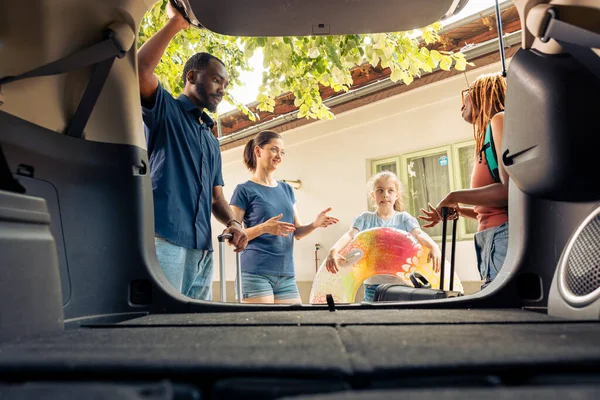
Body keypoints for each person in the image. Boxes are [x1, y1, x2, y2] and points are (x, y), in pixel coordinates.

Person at [138, 1, 247, 300]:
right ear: (191, 77)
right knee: (162, 329)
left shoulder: (210, 138)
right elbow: (140, 69)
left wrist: (235, 223)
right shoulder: (166, 110)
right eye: (216, 80)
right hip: (165, 241)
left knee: (197, 332)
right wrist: (176, 23)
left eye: (225, 84)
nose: (222, 89)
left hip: (203, 252)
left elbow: (217, 199)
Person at [419, 73, 508, 289]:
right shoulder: (485, 136)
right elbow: (489, 208)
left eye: (466, 94)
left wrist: (453, 196)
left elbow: (509, 192)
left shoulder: (500, 119)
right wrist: (461, 210)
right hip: (488, 240)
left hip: (502, 236)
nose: (462, 105)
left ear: (483, 94)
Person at [230, 130, 339, 304]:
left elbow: (297, 232)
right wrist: (263, 227)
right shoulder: (244, 190)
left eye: (282, 152)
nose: (279, 156)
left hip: (286, 275)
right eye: (274, 150)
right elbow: (232, 237)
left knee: (294, 327)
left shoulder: (286, 189)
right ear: (258, 151)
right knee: (263, 329)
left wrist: (315, 224)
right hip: (254, 273)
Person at [325, 171, 441, 302]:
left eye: (390, 190)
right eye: (380, 190)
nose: (385, 195)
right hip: (373, 284)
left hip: (401, 283)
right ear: (373, 195)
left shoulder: (404, 218)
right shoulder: (365, 219)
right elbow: (350, 235)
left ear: (397, 195)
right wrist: (333, 250)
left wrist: (433, 246)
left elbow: (419, 234)